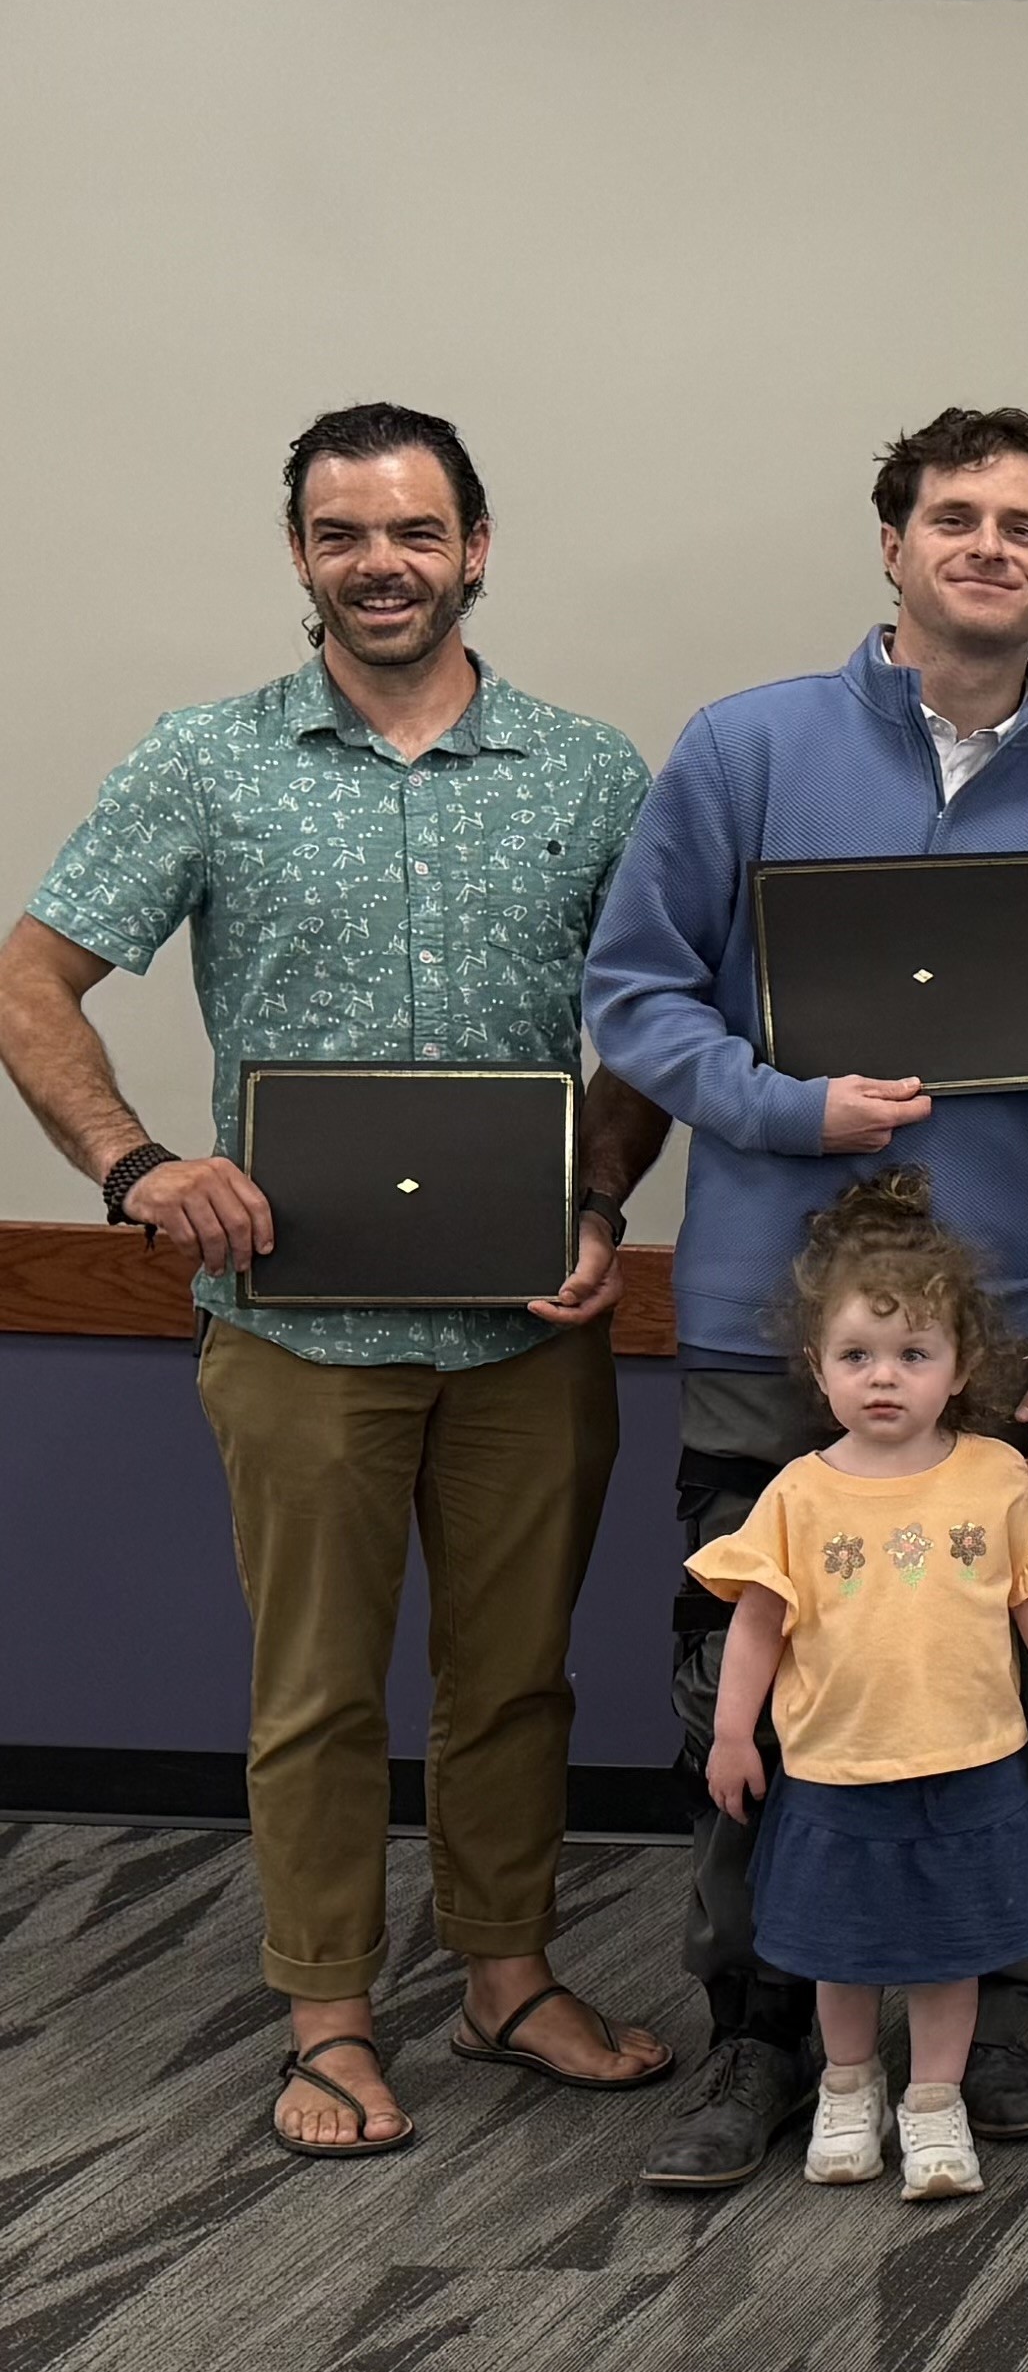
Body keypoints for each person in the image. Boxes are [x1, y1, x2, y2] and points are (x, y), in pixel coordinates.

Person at [0, 402, 677, 2159]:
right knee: (314, 1686)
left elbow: (665, 1013)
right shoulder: (202, 760)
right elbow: (29, 978)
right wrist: (136, 1168)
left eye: (414, 529)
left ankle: (507, 1974)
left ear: (475, 544)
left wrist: (602, 1191)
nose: (382, 561)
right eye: (342, 531)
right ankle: (329, 2014)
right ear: (299, 551)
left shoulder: (587, 767)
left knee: (516, 1674)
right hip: (295, 1329)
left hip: (528, 1324)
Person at [588, 405, 1028, 2196]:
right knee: (752, 1698)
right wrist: (795, 1102)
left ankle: (977, 2015)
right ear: (893, 544)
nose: (991, 545)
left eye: (1024, 524)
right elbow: (635, 990)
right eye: (955, 516)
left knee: (981, 1694)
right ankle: (759, 2037)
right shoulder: (744, 747)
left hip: (1003, 1337)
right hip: (782, 1334)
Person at [693, 1169, 1028, 2204]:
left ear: (959, 1365)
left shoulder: (997, 1476)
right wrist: (735, 1734)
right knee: (842, 1946)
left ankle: (935, 2099)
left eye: (913, 1353)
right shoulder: (800, 1491)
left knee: (952, 1946)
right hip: (837, 1765)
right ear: (816, 1366)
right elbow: (756, 1622)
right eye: (857, 1355)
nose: (885, 1377)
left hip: (967, 1758)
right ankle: (848, 2083)